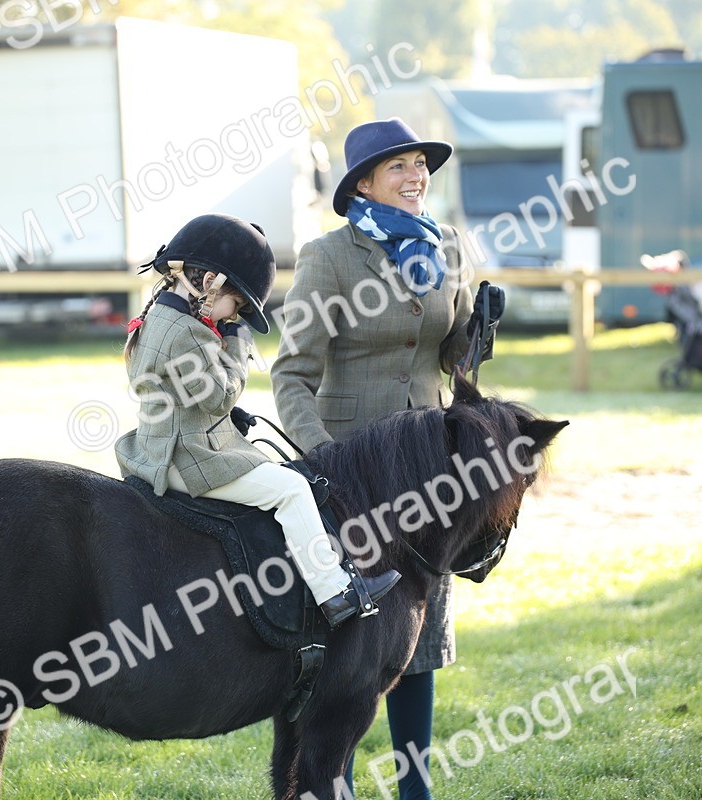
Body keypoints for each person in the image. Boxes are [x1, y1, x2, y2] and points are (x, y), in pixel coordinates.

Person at [270, 118, 504, 799]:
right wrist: (322, 462)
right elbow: (291, 375)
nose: (415, 176)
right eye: (398, 166)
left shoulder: (447, 250)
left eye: (420, 165)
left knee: (419, 632)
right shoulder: (330, 257)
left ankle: (415, 787)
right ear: (363, 184)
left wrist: (476, 333)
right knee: (345, 638)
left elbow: (447, 357)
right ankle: (322, 778)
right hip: (351, 476)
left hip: (430, 475)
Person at [115, 212, 401, 629]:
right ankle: (334, 592)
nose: (235, 315)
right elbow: (222, 394)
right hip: (184, 456)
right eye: (238, 306)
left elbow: (177, 389)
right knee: (292, 489)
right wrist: (234, 339)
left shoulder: (160, 313)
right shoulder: (189, 332)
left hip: (159, 443)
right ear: (209, 284)